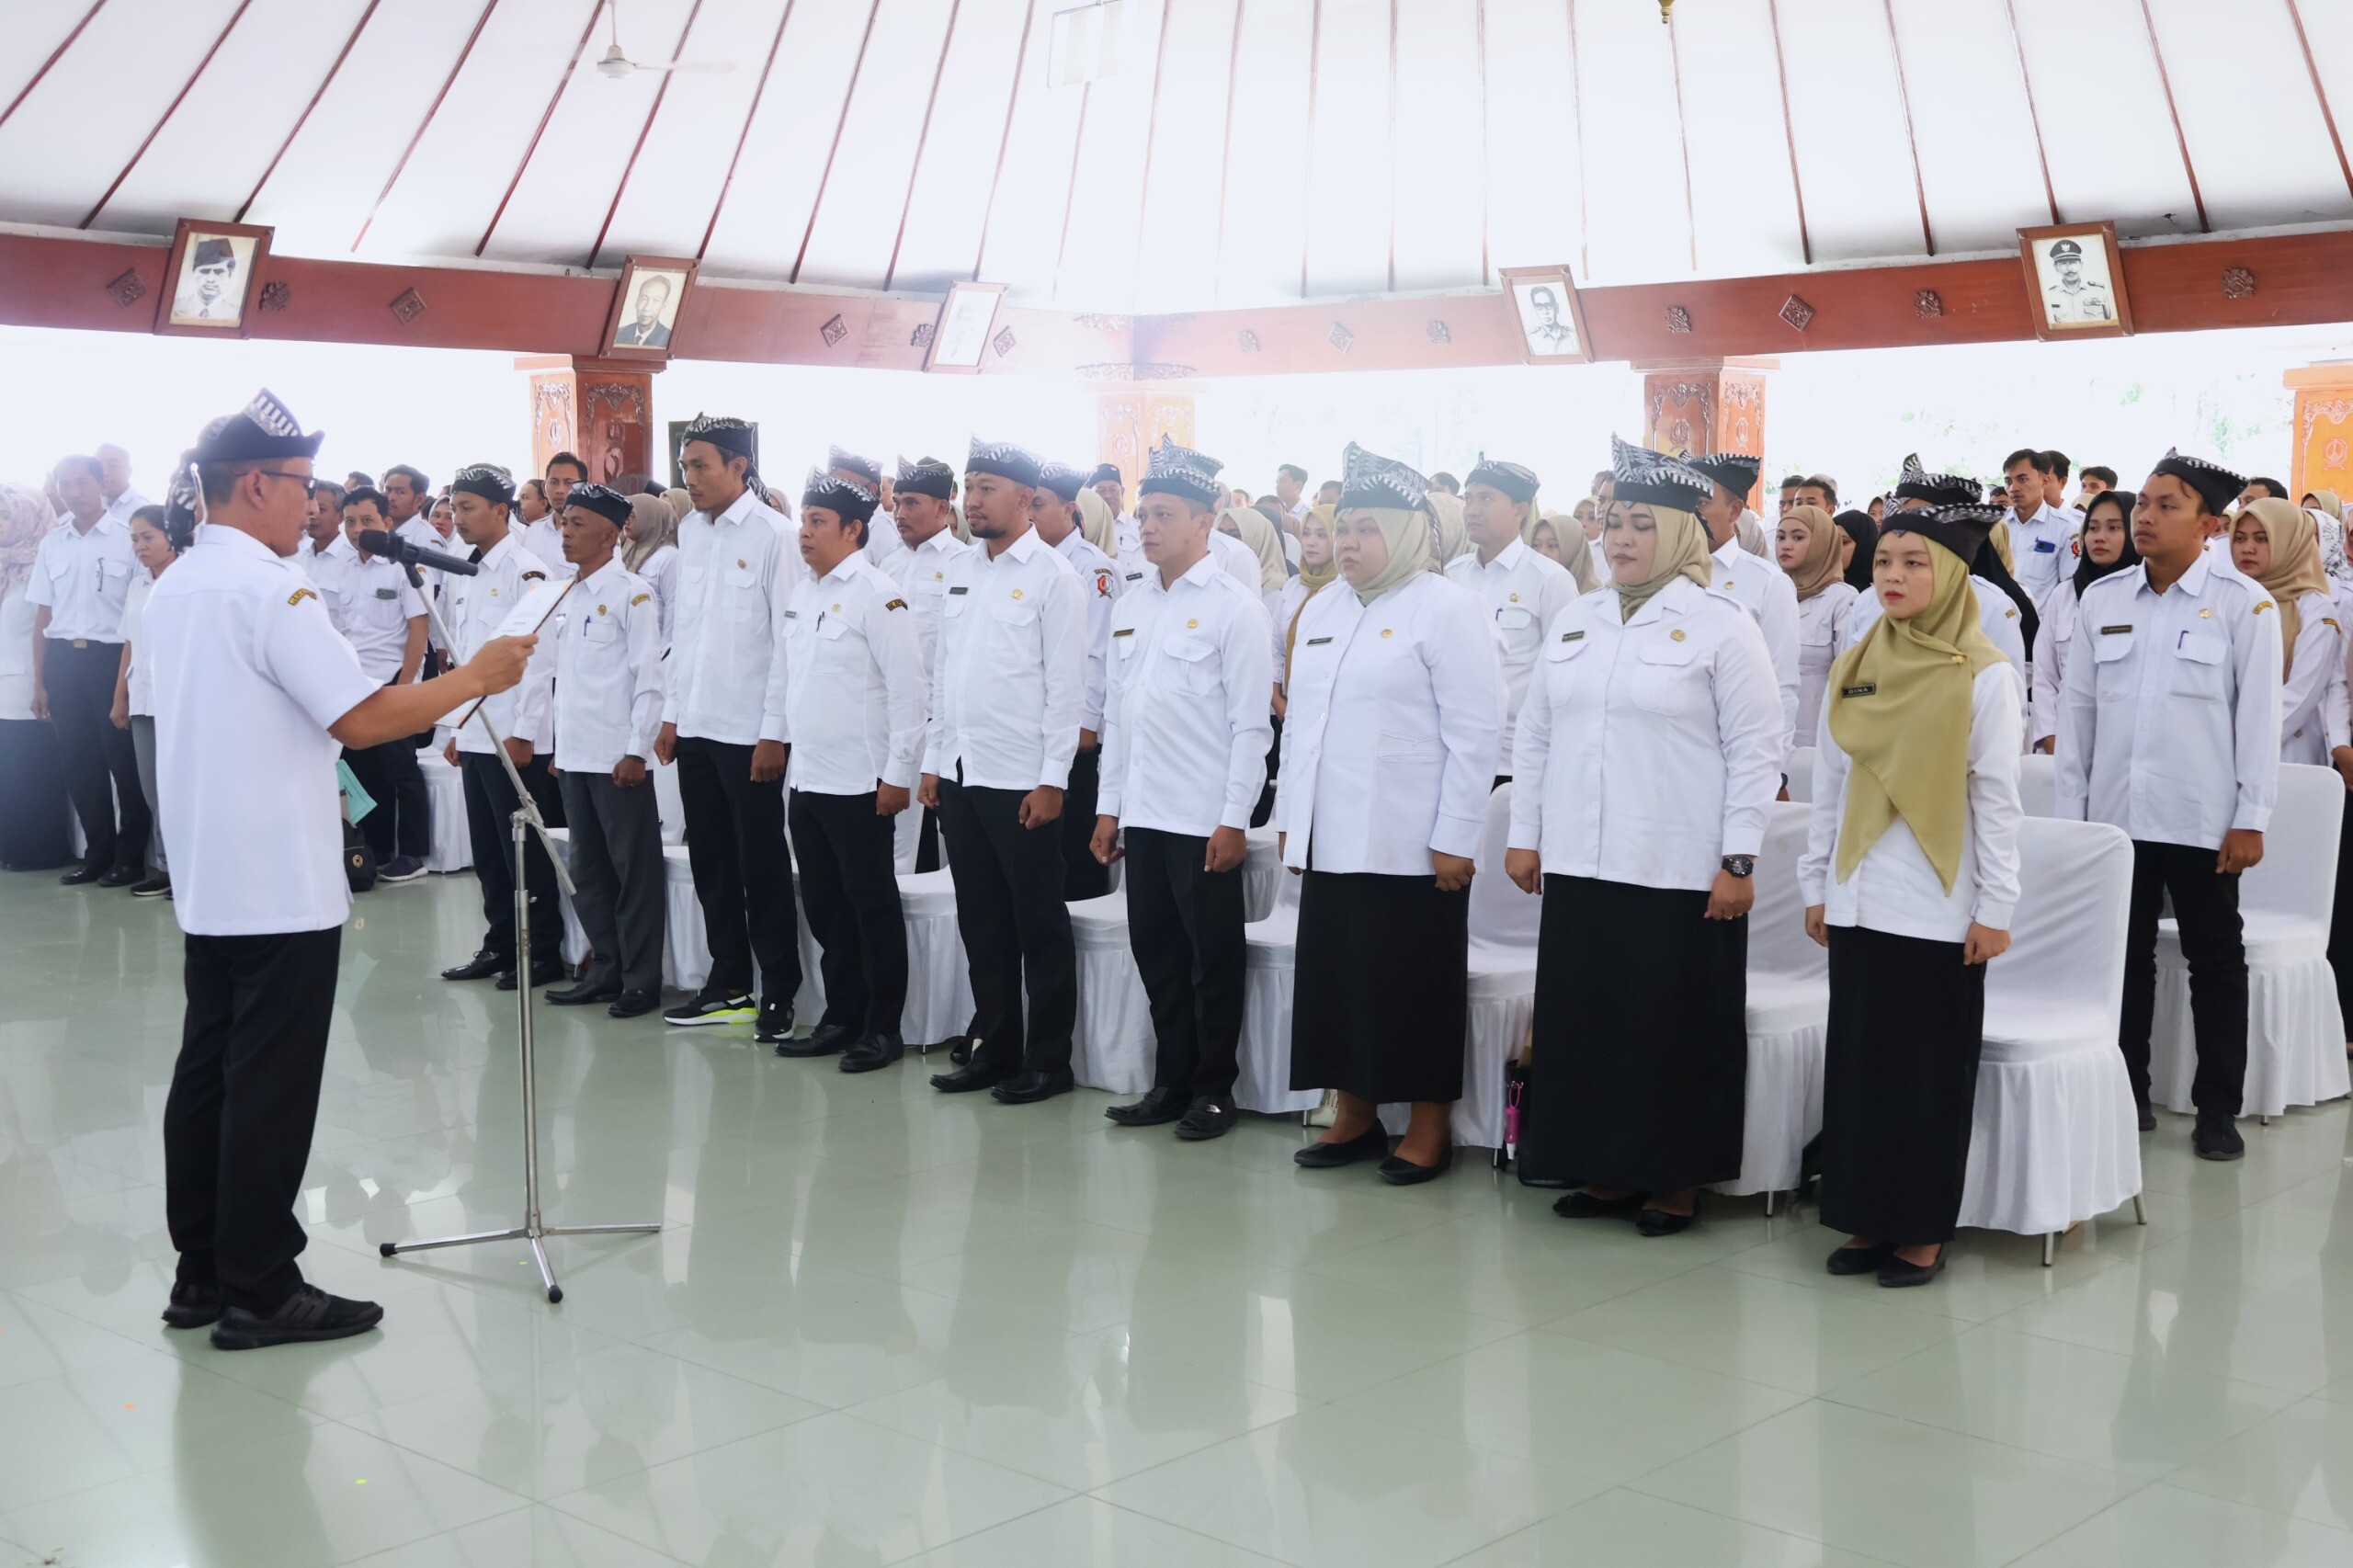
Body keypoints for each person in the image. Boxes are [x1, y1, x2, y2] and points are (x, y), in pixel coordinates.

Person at [145, 389, 535, 1350]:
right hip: (277, 873)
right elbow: (361, 718)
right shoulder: (271, 589)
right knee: (269, 1082)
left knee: (209, 1071)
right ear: (252, 484)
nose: (310, 503)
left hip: (210, 868)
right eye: (299, 484)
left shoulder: (179, 585)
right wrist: (477, 676)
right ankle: (262, 1287)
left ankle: (201, 1271)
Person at [1508, 438, 1779, 1233]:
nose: (1620, 539)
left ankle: (1673, 1177)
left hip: (1678, 865)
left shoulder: (1721, 625)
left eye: (1640, 525)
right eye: (1612, 523)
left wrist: (1738, 858)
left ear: (1681, 533)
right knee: (1587, 1019)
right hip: (1583, 859)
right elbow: (1535, 734)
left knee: (1670, 1026)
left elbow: (1756, 750)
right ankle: (1602, 1165)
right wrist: (1526, 835)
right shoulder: (1578, 616)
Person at [1804, 504, 2022, 1287]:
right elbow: (1831, 785)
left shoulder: (1986, 674)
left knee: (1926, 1070)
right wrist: (1817, 883)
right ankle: (1866, 1215)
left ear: (1954, 574)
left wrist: (1995, 909)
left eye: (1914, 563)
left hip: (1940, 904)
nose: (1892, 576)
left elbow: (1997, 801)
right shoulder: (1858, 660)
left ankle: (1922, 1226)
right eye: (1885, 561)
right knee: (1861, 1066)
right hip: (1859, 894)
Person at [1281, 444, 1501, 1184]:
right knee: (1338, 980)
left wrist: (1455, 839)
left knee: (1413, 986)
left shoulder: (1449, 608)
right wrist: (1292, 819)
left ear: (1412, 532)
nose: (1346, 543)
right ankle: (1355, 1112)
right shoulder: (1323, 607)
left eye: (1367, 529)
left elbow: (1476, 736)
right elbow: (1300, 727)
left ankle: (1430, 1124)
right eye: (1343, 527)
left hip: (1414, 844)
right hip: (1330, 834)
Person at [2055, 451, 2280, 1158]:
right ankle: (2127, 1091)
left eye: (2166, 505)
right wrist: (2074, 822)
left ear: (2210, 524)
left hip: (2202, 817)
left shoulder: (2247, 604)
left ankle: (2219, 1108)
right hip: (2115, 819)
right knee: (2122, 959)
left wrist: (2252, 817)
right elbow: (2080, 716)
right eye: (2143, 503)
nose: (2145, 517)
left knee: (2216, 961)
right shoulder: (2102, 599)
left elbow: (2258, 721)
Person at [1094, 449, 1277, 1140]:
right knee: (1158, 957)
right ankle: (1170, 1082)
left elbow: (1251, 729)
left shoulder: (1236, 609)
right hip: (1143, 815)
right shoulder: (1134, 603)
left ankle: (1214, 1089)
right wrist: (1109, 807)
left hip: (1203, 820)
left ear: (1207, 521)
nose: (1147, 526)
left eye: (1164, 515)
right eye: (1142, 514)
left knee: (1211, 965)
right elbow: (1118, 716)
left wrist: (1233, 820)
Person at [919, 437, 1087, 1104]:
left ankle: (1048, 1062)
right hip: (963, 773)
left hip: (1022, 780)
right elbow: (945, 677)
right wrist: (934, 762)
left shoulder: (1054, 577)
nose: (975, 499)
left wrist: (1053, 779)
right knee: (981, 921)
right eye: (970, 485)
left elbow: (1065, 690)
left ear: (1026, 499)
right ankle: (996, 1048)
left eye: (988, 486)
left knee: (1038, 925)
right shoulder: (961, 570)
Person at [654, 415, 806, 1040]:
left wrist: (774, 731)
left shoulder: (776, 536)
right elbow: (684, 633)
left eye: (701, 466)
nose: (689, 479)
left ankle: (779, 991)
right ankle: (729, 984)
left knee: (760, 864)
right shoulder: (690, 531)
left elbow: (785, 642)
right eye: (686, 467)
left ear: (739, 467)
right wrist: (671, 715)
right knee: (712, 860)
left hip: (749, 732)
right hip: (696, 724)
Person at [767, 470, 924, 1071]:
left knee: (871, 908)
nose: (804, 532)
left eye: (817, 522)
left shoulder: (878, 595)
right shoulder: (803, 592)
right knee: (827, 908)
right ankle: (840, 1016)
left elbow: (910, 693)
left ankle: (883, 1029)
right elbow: (789, 679)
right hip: (808, 779)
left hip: (862, 783)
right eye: (803, 520)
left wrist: (898, 774)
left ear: (853, 529)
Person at [433, 464, 562, 989]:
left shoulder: (525, 571)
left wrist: (527, 731)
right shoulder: (467, 570)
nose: (458, 518)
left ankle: (542, 952)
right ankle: (500, 944)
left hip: (512, 734)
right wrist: (457, 729)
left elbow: (541, 658)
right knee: (488, 850)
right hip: (479, 730)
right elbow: (465, 662)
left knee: (524, 852)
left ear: (500, 511)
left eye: (468, 508)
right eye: (455, 508)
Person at [542, 483, 666, 1020]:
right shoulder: (564, 593)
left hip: (618, 759)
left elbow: (649, 679)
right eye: (563, 522)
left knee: (632, 873)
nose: (564, 531)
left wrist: (637, 750)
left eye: (577, 524)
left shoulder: (632, 592)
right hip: (574, 755)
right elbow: (561, 679)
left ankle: (642, 980)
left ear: (611, 534)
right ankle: (606, 966)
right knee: (588, 871)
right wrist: (558, 745)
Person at [28, 453, 149, 887]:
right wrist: (40, 681)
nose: (73, 492)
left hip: (111, 661)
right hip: (64, 660)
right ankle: (97, 855)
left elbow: (138, 615)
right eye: (65, 484)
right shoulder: (51, 543)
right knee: (79, 764)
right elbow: (44, 616)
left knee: (124, 765)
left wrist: (125, 680)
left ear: (100, 484)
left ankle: (132, 858)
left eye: (81, 482)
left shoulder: (126, 538)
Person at [1449, 457, 1580, 785]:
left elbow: (1567, 674)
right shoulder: (1451, 575)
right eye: (1469, 498)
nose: (1472, 509)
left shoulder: (1550, 579)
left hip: (1514, 761)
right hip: (1452, 751)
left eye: (1486, 499)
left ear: (1520, 510)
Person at [332, 488, 433, 881]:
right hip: (354, 682)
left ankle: (413, 852)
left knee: (400, 769)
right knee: (362, 770)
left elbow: (418, 629)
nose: (358, 529)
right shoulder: (342, 568)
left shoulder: (401, 567)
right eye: (351, 522)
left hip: (392, 680)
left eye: (367, 521)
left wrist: (407, 686)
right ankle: (373, 849)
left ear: (387, 523)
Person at [1037, 461, 1121, 902]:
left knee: (1076, 862)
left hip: (1078, 738)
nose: (1028, 513)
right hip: (1037, 733)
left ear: (1070, 509)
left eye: (1037, 503)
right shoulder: (1029, 563)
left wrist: (1086, 723)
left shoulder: (1094, 568)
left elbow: (1098, 651)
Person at [884, 455, 972, 874]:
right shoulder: (888, 566)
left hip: (943, 726)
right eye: (897, 501)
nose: (900, 512)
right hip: (891, 721)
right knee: (892, 847)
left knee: (940, 853)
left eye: (911, 502)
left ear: (943, 507)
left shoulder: (965, 564)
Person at [1688, 453, 1801, 765]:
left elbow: (1781, 688)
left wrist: (1774, 769)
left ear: (1734, 510)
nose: (1689, 514)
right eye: (1683, 504)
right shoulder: (1663, 579)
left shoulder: (1767, 583)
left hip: (1736, 754)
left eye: (1700, 503)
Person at [2233, 498, 2347, 767]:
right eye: (2240, 538)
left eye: (2262, 538)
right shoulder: (2230, 597)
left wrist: (2238, 745)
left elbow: (2298, 697)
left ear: (2290, 541)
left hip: (2284, 753)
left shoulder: (2315, 607)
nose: (2248, 548)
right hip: (2219, 748)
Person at [2032, 489, 2138, 754]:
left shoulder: (2149, 596)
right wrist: (2050, 735)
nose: (2099, 537)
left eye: (2114, 528)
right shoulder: (2065, 594)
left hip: (2127, 743)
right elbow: (2045, 673)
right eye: (2092, 528)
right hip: (2066, 739)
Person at [0, 483, 72, 870]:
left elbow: (48, 630)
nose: (0, 524)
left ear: (27, 516)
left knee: (32, 774)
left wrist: (42, 684)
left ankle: (40, 852)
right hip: (1, 689)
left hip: (29, 688)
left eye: (6, 515)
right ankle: (10, 850)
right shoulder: (3, 566)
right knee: (8, 778)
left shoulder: (41, 564)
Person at [111, 506, 177, 897]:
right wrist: (119, 696)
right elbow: (130, 643)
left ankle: (188, 867)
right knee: (153, 790)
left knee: (181, 787)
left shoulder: (188, 581)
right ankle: (167, 867)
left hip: (179, 698)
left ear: (172, 536)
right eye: (134, 538)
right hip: (142, 699)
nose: (140, 546)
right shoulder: (138, 585)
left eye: (147, 537)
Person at [1777, 504, 1857, 744]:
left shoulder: (1842, 599)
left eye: (1798, 537)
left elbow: (1850, 676)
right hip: (1769, 732)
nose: (1786, 545)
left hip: (1818, 737)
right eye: (1781, 537)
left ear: (1822, 542)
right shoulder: (1771, 592)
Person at [2002, 447, 2079, 613]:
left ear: (2044, 480)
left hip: (2040, 629)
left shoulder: (2067, 528)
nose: (2013, 488)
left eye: (2022, 479)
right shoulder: (1995, 526)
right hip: (1999, 624)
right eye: (2008, 481)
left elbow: (2070, 591)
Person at [826, 447, 903, 566]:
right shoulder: (835, 526)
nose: (833, 491)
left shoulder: (885, 534)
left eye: (842, 485)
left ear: (870, 490)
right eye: (831, 484)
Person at [621, 491, 679, 647]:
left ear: (649, 518)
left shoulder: (668, 557)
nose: (626, 521)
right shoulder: (629, 550)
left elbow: (673, 607)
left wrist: (666, 651)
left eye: (633, 516)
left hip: (655, 645)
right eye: (625, 515)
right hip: (629, 641)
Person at [97, 443, 149, 529]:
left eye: (112, 466)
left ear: (129, 471)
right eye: (99, 466)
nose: (104, 472)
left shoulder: (144, 509)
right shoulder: (94, 507)